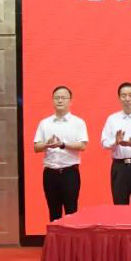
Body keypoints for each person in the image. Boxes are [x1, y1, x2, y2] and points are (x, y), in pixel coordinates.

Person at [33, 86, 88, 221]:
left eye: (63, 98)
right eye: (57, 98)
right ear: (52, 100)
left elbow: (82, 145)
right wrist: (46, 145)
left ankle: (72, 236)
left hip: (70, 173)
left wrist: (63, 145)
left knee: (71, 212)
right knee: (53, 212)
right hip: (50, 173)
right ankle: (55, 236)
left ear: (70, 101)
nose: (60, 100)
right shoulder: (44, 123)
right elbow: (36, 147)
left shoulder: (78, 122)